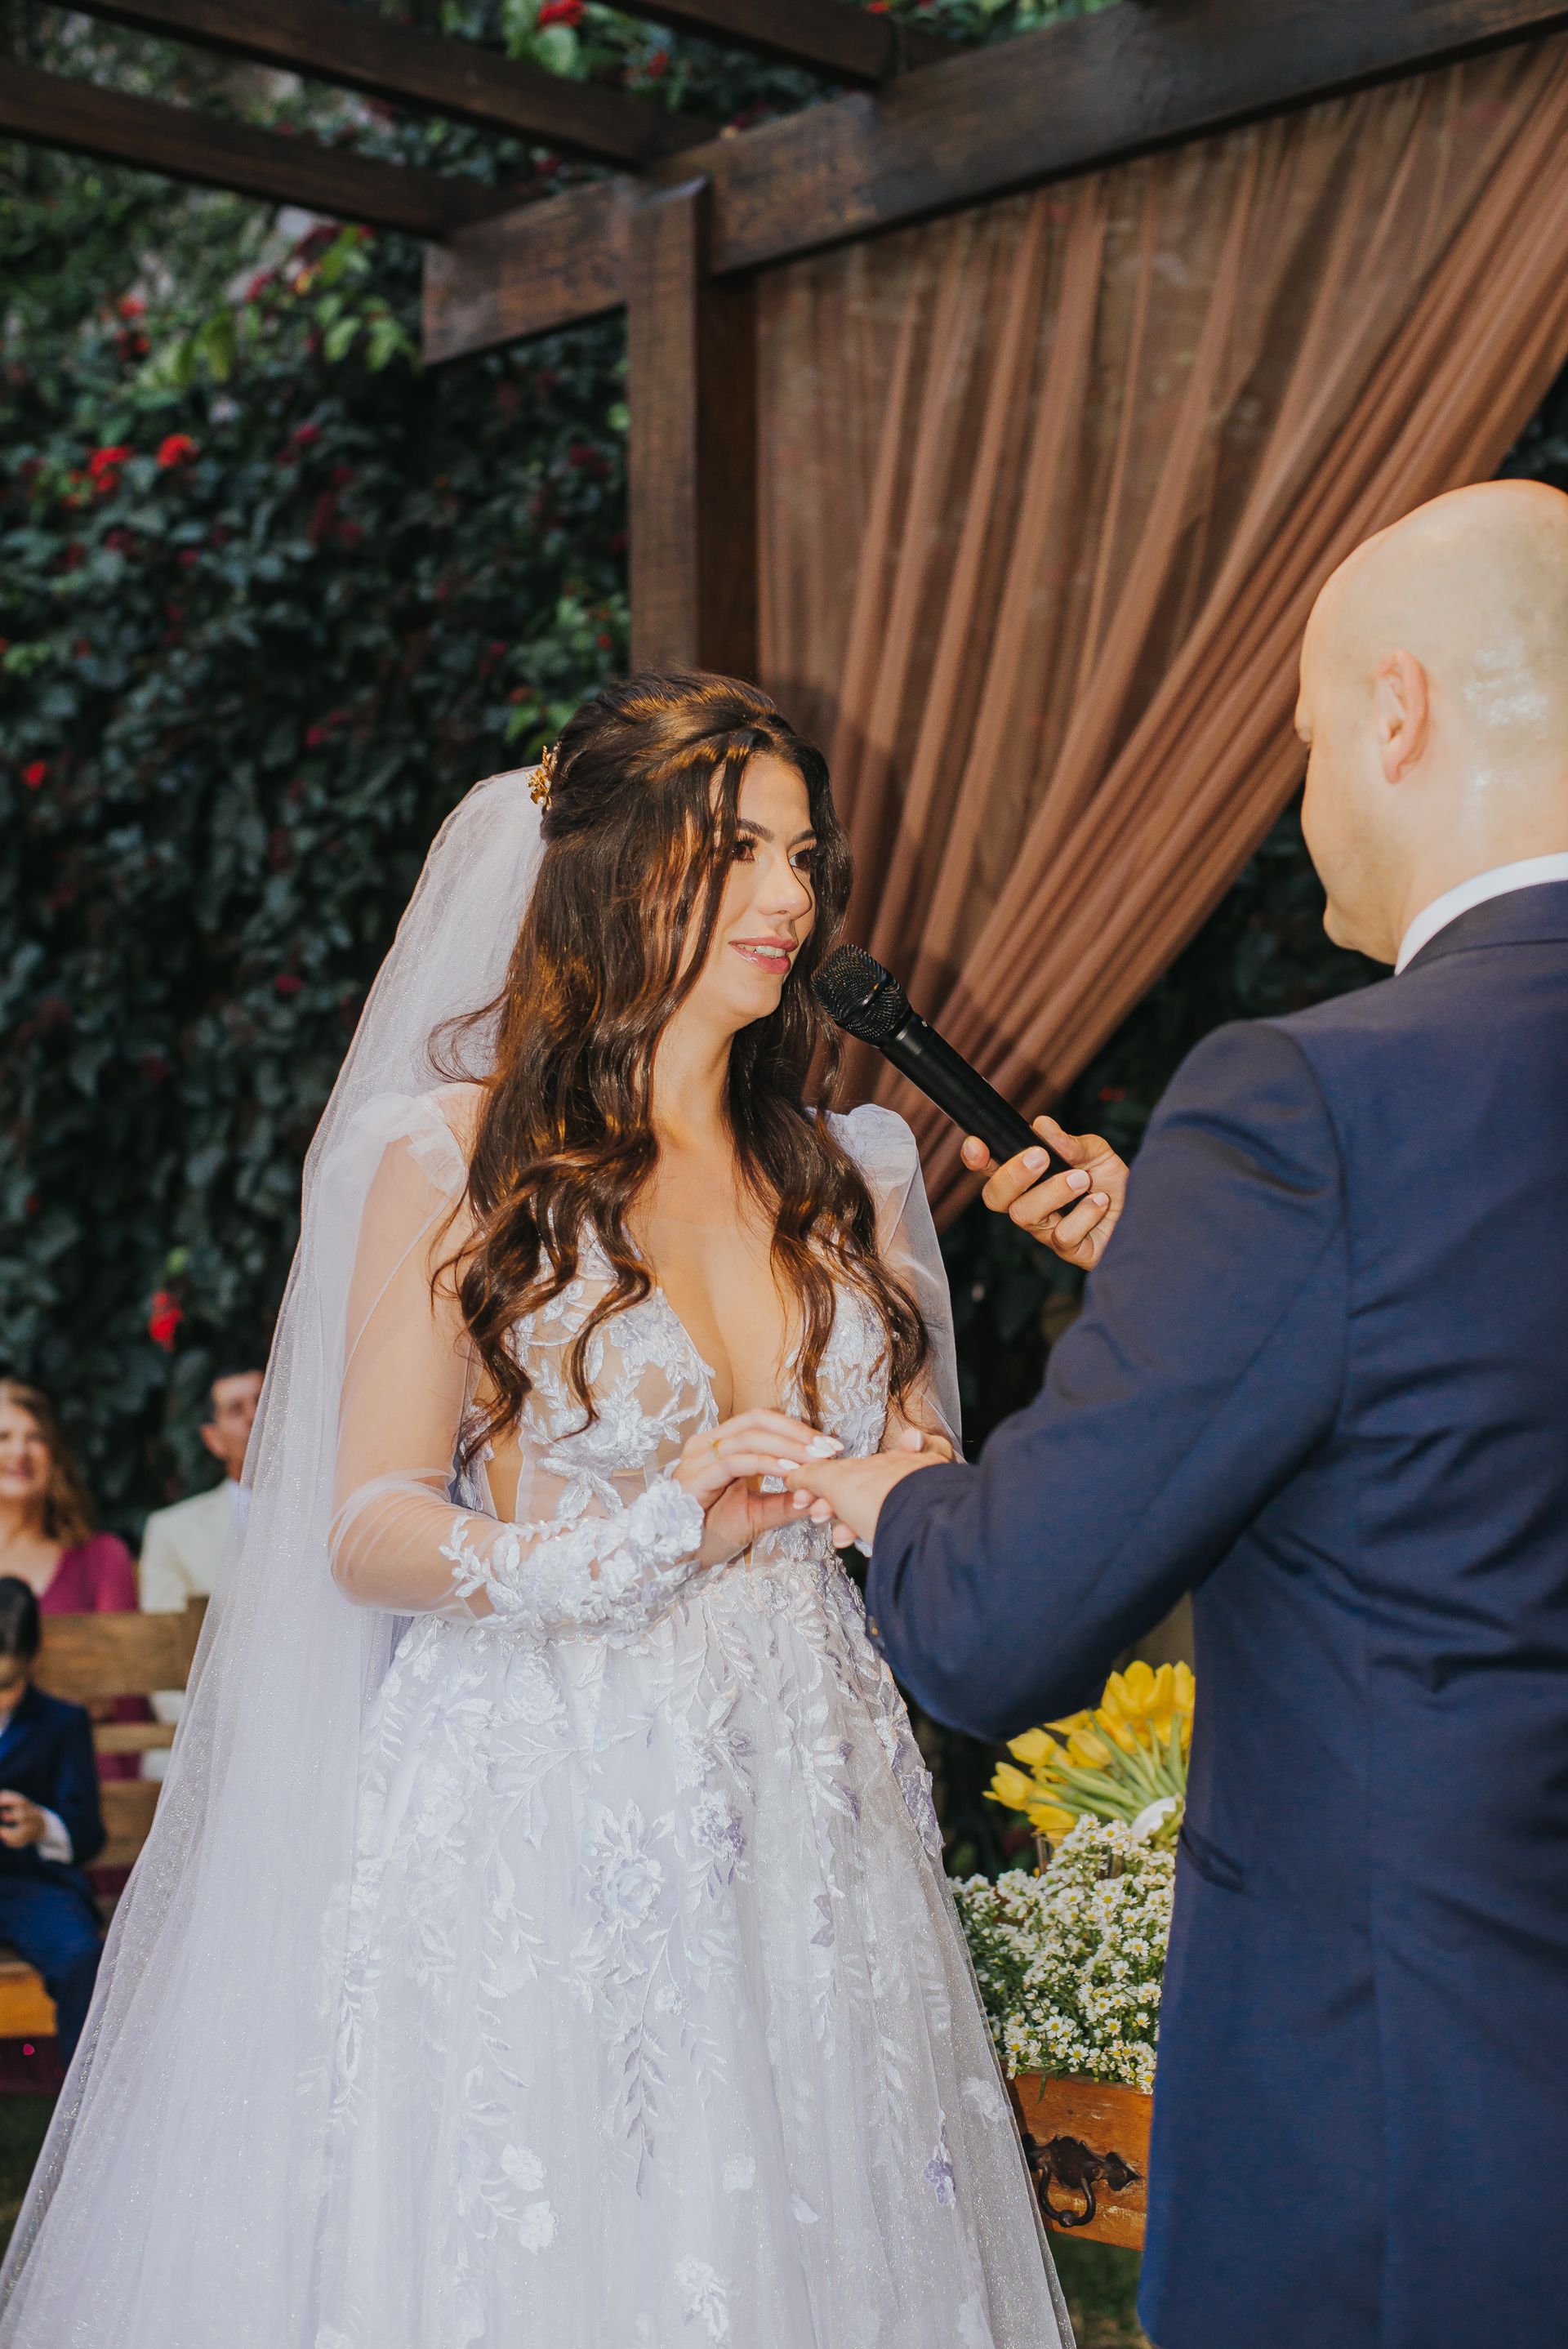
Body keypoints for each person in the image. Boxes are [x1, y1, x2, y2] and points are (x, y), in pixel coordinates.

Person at [0, 675, 1111, 2348]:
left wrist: (1113, 1280)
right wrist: (653, 1530)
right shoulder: (458, 1155)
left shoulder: (856, 1165)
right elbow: (365, 1525)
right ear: (607, 871)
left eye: (804, 859)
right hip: (552, 1789)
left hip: (815, 1796)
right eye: (737, 852)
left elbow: (928, 1488)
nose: (790, 902)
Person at [783, 479, 1568, 2349]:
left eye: (1301, 744)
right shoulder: (1348, 1155)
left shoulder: (1309, 1102)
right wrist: (1205, 1263)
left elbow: (1000, 1617)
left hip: (1423, 2124)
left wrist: (889, 1488)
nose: (1307, 810)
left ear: (1395, 712)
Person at [0, 1384, 140, 1783]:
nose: (20, 1453)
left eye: (36, 1437)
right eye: (3, 1437)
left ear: (55, 1456)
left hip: (82, 1783)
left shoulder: (102, 1557)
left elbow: (126, 1698)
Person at [0, 1578, 105, 2067]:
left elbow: (88, 1832)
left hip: (33, 1885)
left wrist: (43, 1825)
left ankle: (85, 2114)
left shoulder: (61, 1723)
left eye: (6, 1685)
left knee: (82, 1955)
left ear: (32, 1659)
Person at [138, 1367, 261, 1778]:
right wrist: (217, 1745)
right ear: (212, 1439)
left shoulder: (334, 1515)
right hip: (209, 1747)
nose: (254, 1416)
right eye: (235, 1409)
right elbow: (163, 1658)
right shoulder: (172, 1531)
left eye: (263, 1400)